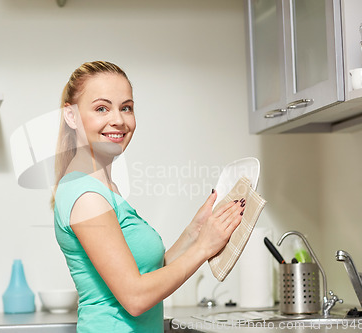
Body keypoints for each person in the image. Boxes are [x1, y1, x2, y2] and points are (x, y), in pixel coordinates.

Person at [51, 61, 245, 332]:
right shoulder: (86, 196)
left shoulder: (104, 189)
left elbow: (148, 276)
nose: (118, 120)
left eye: (126, 107)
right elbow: (135, 297)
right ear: (71, 116)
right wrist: (204, 248)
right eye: (101, 108)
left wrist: (194, 232)